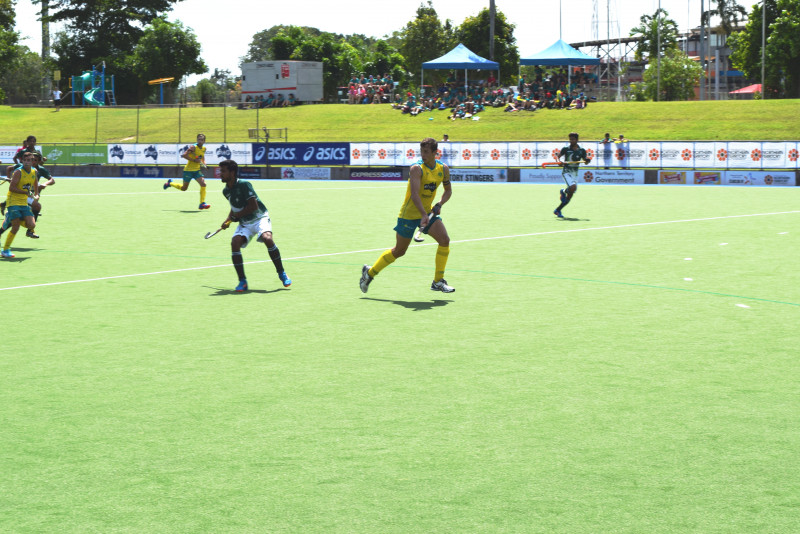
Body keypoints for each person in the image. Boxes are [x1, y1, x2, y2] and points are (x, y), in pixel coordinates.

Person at [360, 137, 454, 294]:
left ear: (435, 153)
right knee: (399, 251)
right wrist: (423, 214)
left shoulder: (443, 169)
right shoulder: (416, 169)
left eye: (426, 152)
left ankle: (438, 282)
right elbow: (415, 194)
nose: (423, 155)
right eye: (421, 151)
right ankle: (369, 273)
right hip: (409, 214)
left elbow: (448, 191)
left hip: (428, 212)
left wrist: (439, 205)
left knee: (444, 240)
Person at [217, 159, 291, 291]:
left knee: (267, 238)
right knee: (235, 243)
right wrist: (228, 220)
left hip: (259, 217)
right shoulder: (226, 191)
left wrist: (236, 216)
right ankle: (242, 281)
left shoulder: (245, 185)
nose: (220, 173)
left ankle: (281, 273)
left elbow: (253, 206)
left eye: (223, 171)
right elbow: (234, 207)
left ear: (232, 172)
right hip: (245, 222)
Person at [0, 152, 39, 258]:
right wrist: (25, 192)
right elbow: (11, 188)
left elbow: (35, 182)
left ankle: (9, 217)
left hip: (23, 202)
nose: (27, 162)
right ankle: (5, 250)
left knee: (31, 225)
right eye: (25, 160)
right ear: (22, 160)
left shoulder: (34, 171)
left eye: (29, 160)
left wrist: (36, 193)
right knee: (15, 227)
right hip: (13, 201)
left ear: (32, 161)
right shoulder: (18, 172)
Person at [163, 133, 211, 209]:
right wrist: (194, 160)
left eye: (202, 140)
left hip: (197, 171)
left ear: (204, 141)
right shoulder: (193, 148)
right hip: (188, 170)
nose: (200, 141)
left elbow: (202, 158)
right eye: (198, 139)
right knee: (184, 188)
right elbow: (184, 155)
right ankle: (170, 183)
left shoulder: (204, 149)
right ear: (197, 140)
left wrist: (205, 165)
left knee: (203, 184)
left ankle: (202, 203)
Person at [553, 132, 591, 219]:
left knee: (570, 195)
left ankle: (558, 210)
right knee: (573, 187)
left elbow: (585, 160)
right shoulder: (566, 149)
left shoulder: (582, 150)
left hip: (575, 173)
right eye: (570, 139)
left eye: (573, 139)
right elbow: (557, 157)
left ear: (577, 140)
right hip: (567, 171)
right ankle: (564, 191)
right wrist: (559, 162)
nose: (571, 141)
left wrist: (587, 160)